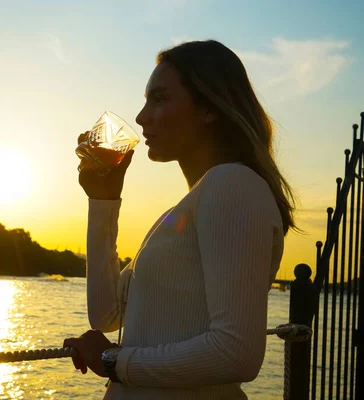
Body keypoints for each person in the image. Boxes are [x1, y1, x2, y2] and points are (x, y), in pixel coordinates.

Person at [63, 39, 297, 399]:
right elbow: (107, 313)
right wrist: (103, 200)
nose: (141, 117)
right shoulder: (184, 210)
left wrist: (113, 361)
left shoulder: (232, 184)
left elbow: (237, 354)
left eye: (159, 99)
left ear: (209, 108)